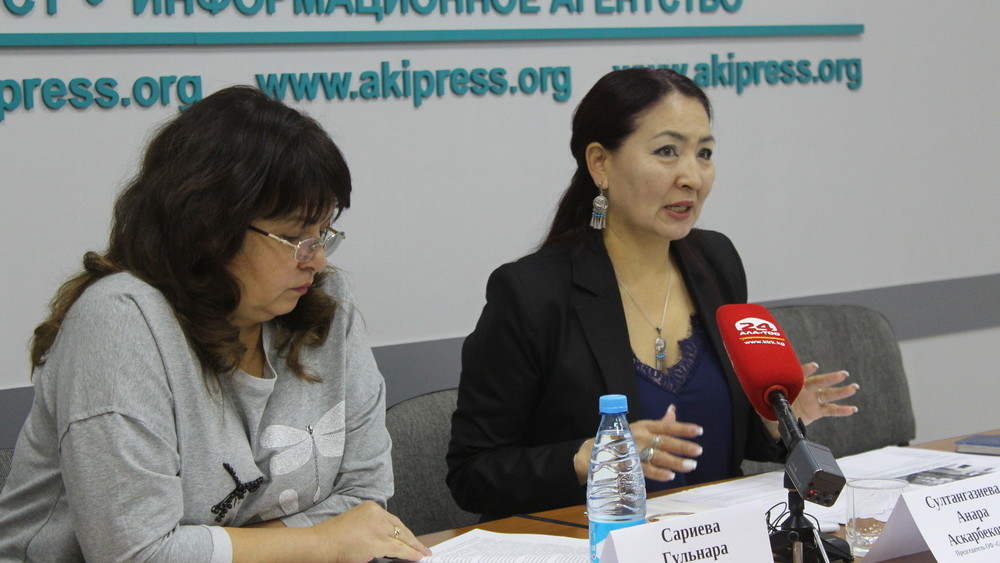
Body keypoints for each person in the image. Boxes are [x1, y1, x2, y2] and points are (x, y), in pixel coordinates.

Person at [0, 86, 431, 562]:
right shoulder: (121, 322)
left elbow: (365, 502)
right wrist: (321, 542)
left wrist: (254, 548)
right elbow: (137, 555)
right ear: (209, 228)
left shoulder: (326, 302)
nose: (318, 259)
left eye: (323, 232)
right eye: (295, 236)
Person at [446, 68, 859, 519]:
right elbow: (472, 474)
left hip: (714, 540)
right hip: (593, 541)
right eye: (667, 152)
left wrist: (775, 421)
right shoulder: (531, 293)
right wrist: (587, 459)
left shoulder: (716, 262)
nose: (692, 177)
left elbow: (722, 444)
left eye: (704, 153)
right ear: (600, 164)